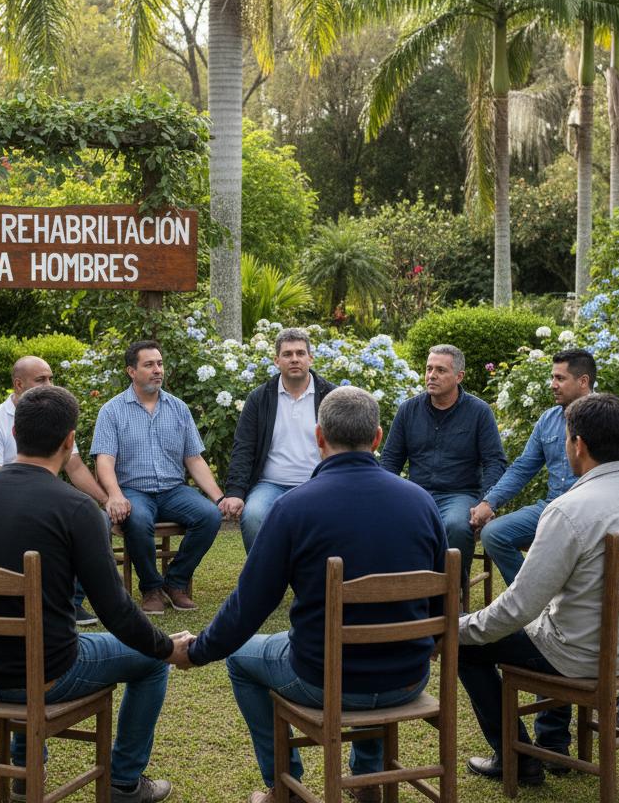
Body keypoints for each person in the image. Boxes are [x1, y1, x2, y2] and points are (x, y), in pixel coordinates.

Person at [174, 386, 449, 803]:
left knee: (241, 662)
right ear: (377, 438)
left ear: (319, 436)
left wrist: (198, 651)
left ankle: (284, 786)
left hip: (323, 679)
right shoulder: (422, 502)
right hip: (408, 677)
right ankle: (368, 777)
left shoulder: (294, 507)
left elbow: (249, 605)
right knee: (366, 640)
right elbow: (443, 604)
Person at [0, 385, 177, 803]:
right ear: (70, 441)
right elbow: (115, 610)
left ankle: (24, 769)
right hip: (45, 675)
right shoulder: (77, 509)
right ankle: (123, 783)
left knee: (31, 635)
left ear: (15, 433)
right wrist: (166, 647)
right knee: (150, 664)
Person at [457, 393, 619, 785]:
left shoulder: (568, 509)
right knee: (551, 624)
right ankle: (548, 743)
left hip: (582, 656)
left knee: (467, 647)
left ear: (578, 444)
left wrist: (456, 627)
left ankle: (517, 760)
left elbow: (519, 607)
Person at [0, 354, 108, 625]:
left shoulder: (57, 416)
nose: (49, 384)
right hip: (10, 506)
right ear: (19, 385)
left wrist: (107, 499)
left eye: (51, 378)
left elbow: (76, 467)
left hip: (48, 497)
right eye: (41, 379)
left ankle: (73, 601)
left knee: (97, 518)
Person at [91, 340, 223, 615]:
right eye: (149, 364)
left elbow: (194, 459)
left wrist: (218, 497)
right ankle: (151, 588)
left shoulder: (178, 408)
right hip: (133, 490)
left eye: (160, 364)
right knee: (137, 520)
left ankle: (175, 583)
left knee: (209, 516)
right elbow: (104, 460)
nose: (157, 370)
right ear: (131, 371)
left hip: (173, 490)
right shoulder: (112, 410)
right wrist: (115, 495)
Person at [380, 344, 507, 583]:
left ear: (459, 376)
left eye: (440, 370)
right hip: (416, 493)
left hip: (460, 494)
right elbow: (390, 459)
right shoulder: (408, 410)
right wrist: (384, 496)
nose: (431, 375)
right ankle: (403, 591)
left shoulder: (479, 412)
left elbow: (495, 462)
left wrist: (485, 503)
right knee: (387, 520)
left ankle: (451, 597)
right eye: (429, 369)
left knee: (457, 526)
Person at [470, 349, 594, 585]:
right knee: (493, 534)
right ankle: (532, 602)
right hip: (552, 507)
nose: (552, 385)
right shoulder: (548, 420)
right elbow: (523, 467)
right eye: (552, 377)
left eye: (560, 378)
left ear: (583, 381)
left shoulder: (605, 416)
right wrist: (489, 502)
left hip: (591, 511)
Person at [219, 327, 337, 552]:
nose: (294, 359)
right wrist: (235, 492)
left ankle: (313, 581)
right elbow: (244, 447)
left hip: (317, 482)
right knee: (253, 516)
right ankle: (264, 580)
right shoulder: (259, 398)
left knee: (330, 519)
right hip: (270, 485)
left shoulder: (330, 396)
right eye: (288, 354)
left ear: (310, 358)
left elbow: (344, 445)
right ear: (276, 360)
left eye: (300, 353)